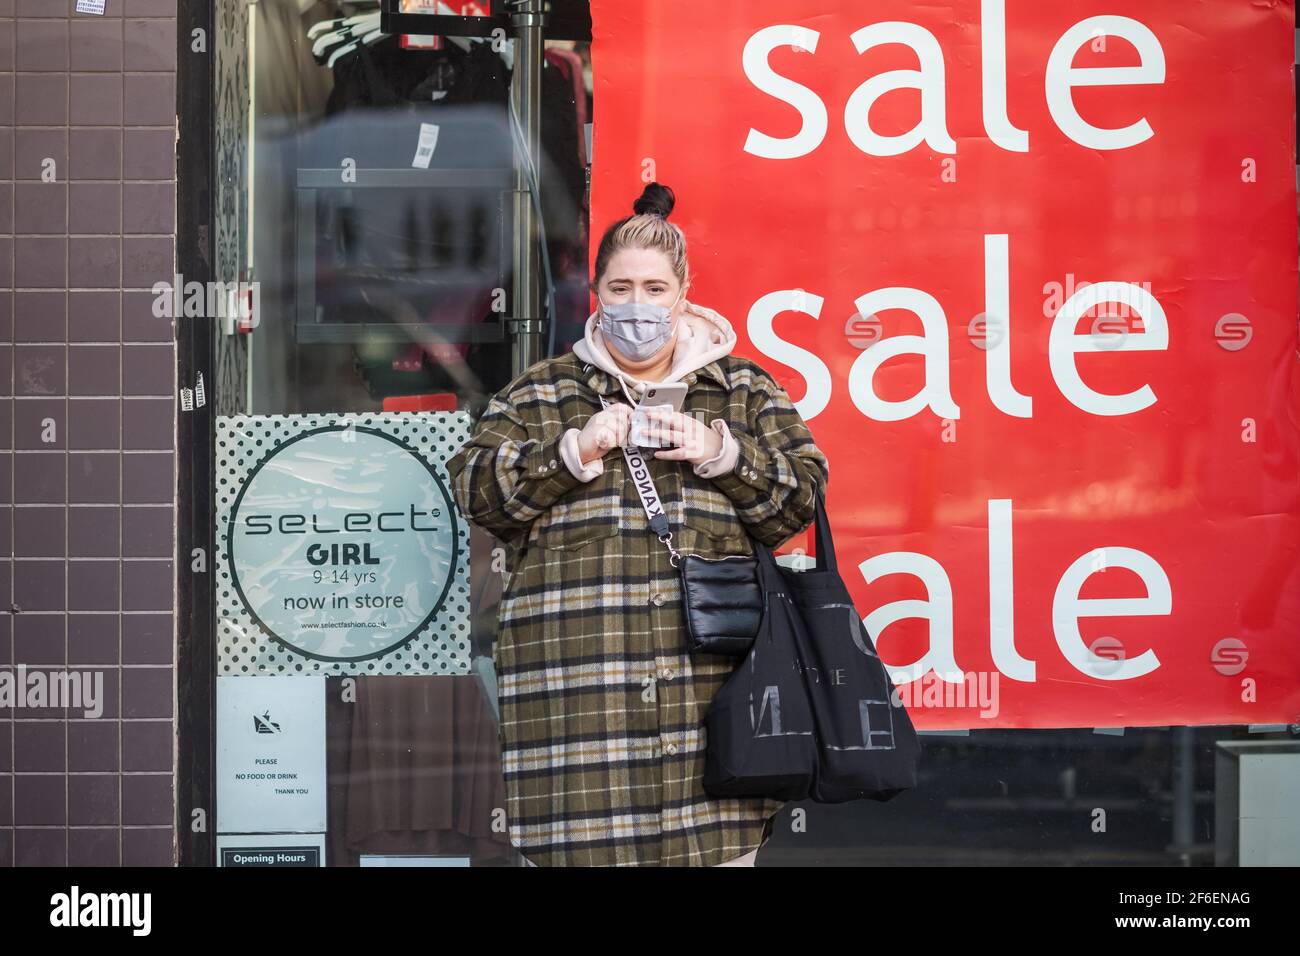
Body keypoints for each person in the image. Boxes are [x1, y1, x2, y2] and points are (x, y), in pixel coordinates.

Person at [446, 181, 830, 866]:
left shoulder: (741, 389)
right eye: (620, 287)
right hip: (578, 720)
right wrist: (574, 449)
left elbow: (801, 498)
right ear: (595, 292)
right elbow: (475, 493)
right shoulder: (542, 392)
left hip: (711, 723)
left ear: (683, 293)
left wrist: (723, 453)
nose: (637, 306)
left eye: (655, 288)